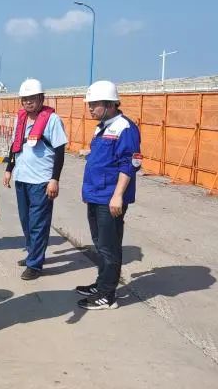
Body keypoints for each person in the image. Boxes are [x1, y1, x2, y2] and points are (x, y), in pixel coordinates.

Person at [77, 80, 141, 310]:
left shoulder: (125, 128)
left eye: (94, 104)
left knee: (109, 246)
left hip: (110, 197)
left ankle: (107, 295)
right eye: (89, 104)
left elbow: (130, 164)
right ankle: (102, 283)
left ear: (110, 104)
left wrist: (118, 196)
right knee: (99, 243)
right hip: (95, 194)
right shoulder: (101, 127)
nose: (90, 108)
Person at [2, 79, 68, 280]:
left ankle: (35, 265)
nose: (28, 102)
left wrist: (54, 179)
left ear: (41, 98)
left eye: (32, 98)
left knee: (38, 223)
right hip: (22, 178)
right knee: (26, 221)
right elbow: (15, 144)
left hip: (41, 180)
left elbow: (60, 151)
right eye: (25, 99)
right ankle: (33, 253)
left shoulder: (52, 120)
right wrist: (9, 169)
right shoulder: (20, 119)